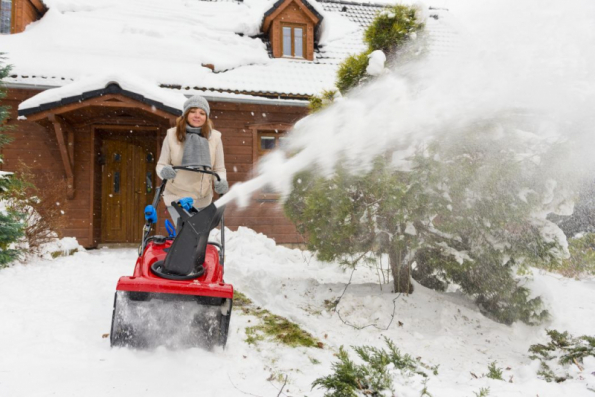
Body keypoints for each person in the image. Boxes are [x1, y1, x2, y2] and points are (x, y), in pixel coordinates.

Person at [156, 95, 228, 225]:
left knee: (198, 240)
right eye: (193, 111)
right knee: (186, 236)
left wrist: (221, 181)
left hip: (203, 198)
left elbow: (219, 169)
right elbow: (161, 165)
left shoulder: (215, 137)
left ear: (206, 117)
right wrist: (164, 171)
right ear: (186, 114)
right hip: (177, 197)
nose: (197, 115)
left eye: (202, 113)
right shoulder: (172, 135)